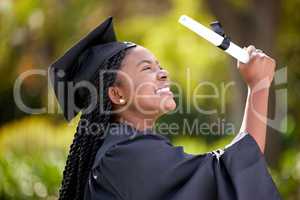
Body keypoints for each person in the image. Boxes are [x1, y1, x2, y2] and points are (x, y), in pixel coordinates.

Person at [49, 17, 281, 200]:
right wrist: (258, 85)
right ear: (117, 94)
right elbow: (226, 174)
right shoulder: (123, 154)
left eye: (159, 66)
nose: (163, 73)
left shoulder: (125, 148)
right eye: (146, 68)